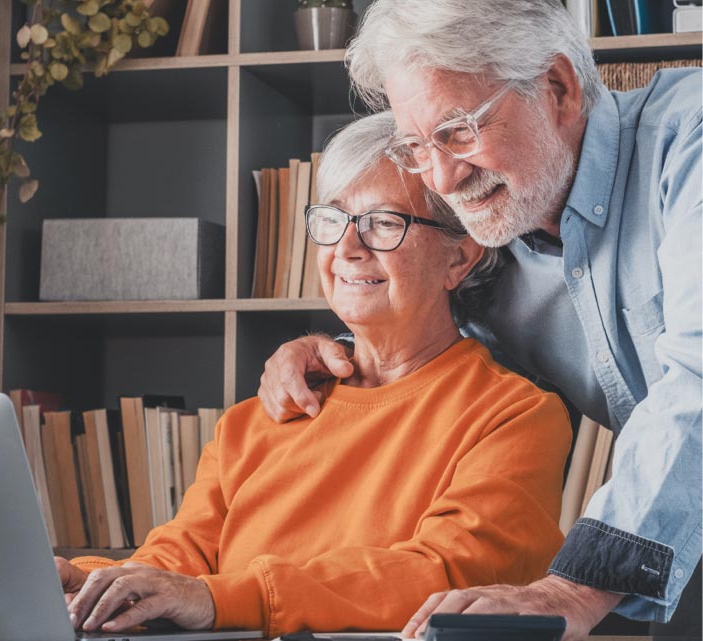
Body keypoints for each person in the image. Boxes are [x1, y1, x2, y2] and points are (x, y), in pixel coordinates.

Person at [257, 1, 702, 639]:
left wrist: (573, 587)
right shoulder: (495, 234)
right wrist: (340, 352)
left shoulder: (691, 136)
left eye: (460, 131)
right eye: (417, 146)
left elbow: (698, 378)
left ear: (558, 88)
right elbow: (428, 346)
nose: (442, 177)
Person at [56, 112, 571, 638]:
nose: (347, 247)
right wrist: (96, 582)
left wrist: (226, 597)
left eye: (384, 222)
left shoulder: (516, 416)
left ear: (458, 257)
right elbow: (183, 553)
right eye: (333, 219)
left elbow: (443, 576)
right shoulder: (265, 412)